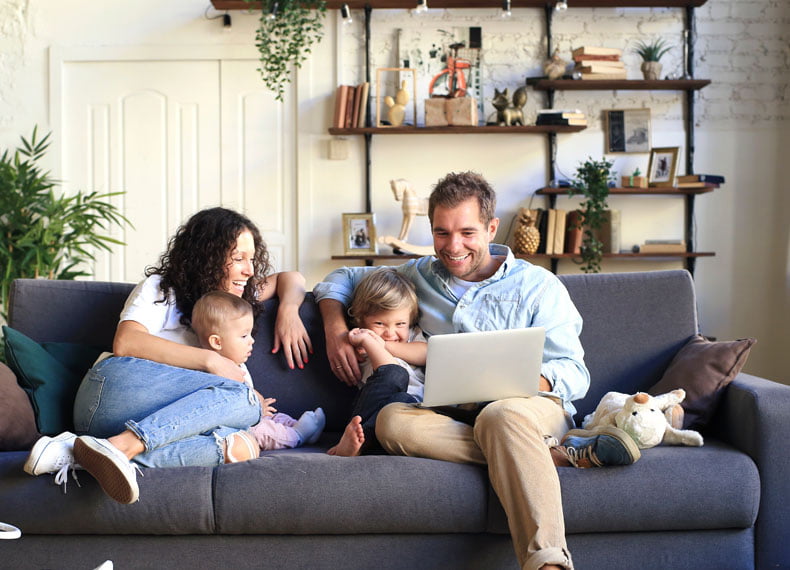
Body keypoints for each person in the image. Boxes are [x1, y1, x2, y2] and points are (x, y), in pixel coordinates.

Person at [314, 172, 640, 570]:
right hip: (447, 413)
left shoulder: (540, 286)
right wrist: (334, 327)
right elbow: (341, 279)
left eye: (467, 232)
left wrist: (513, 382)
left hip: (526, 408)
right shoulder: (418, 274)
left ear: (490, 227)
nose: (453, 247)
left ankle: (549, 563)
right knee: (392, 422)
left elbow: (574, 372)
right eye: (441, 232)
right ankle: (548, 455)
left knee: (500, 414)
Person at [23, 207, 313, 505]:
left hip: (143, 426)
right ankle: (123, 446)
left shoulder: (234, 299)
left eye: (251, 259)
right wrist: (212, 362)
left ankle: (81, 453)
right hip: (111, 394)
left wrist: (289, 312)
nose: (250, 270)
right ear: (207, 257)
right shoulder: (162, 289)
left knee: (243, 444)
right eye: (238, 259)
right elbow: (126, 341)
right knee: (245, 398)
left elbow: (290, 278)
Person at [191, 290, 326, 451]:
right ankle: (297, 435)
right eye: (244, 336)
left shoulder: (236, 364)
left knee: (275, 417)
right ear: (217, 342)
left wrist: (259, 403)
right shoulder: (213, 371)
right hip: (236, 426)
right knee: (263, 431)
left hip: (251, 415)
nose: (252, 341)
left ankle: (303, 428)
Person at [325, 267, 427, 457]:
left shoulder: (412, 336)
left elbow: (426, 353)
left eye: (400, 324)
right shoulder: (359, 341)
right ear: (360, 320)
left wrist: (382, 343)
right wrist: (370, 342)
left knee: (403, 400)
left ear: (411, 320)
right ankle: (356, 444)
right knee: (394, 377)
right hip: (375, 411)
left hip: (412, 412)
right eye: (379, 324)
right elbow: (390, 371)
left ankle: (361, 446)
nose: (390, 332)